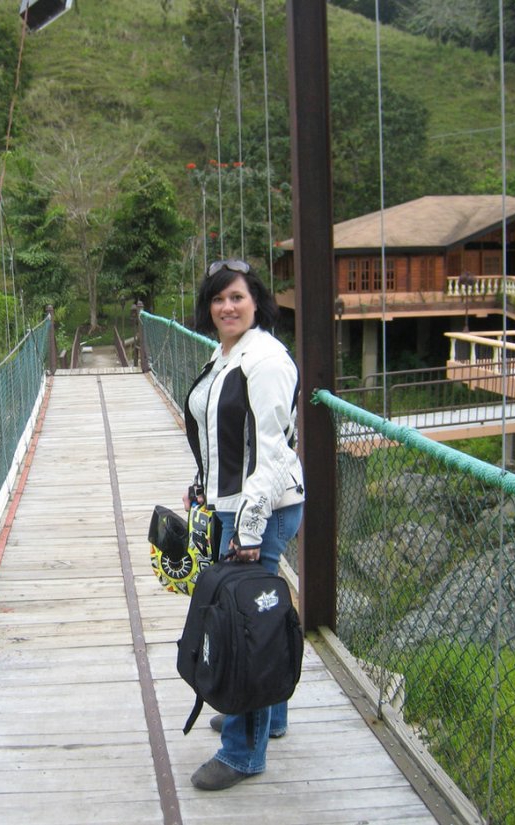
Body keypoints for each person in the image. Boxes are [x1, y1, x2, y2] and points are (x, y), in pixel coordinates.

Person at [181, 258, 305, 791]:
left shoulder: (267, 360)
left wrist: (249, 532)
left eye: (236, 297)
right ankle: (267, 719)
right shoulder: (227, 353)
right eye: (217, 299)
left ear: (256, 301)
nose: (227, 307)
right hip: (229, 504)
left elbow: (272, 454)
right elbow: (223, 433)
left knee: (245, 627)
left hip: (260, 510)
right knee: (258, 615)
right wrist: (202, 491)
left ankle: (242, 753)